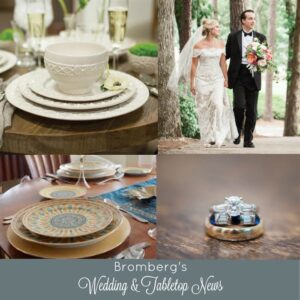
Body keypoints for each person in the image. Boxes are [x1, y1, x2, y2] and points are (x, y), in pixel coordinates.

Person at [168, 19, 238, 148]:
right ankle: (207, 138)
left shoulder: (221, 44)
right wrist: (192, 83)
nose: (219, 29)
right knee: (204, 109)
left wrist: (226, 78)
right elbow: (194, 66)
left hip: (217, 78)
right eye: (217, 27)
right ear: (210, 29)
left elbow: (223, 63)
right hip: (202, 80)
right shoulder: (198, 46)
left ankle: (219, 135)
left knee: (218, 105)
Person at [226, 10, 267, 148]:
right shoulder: (232, 36)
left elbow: (266, 57)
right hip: (238, 75)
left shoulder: (261, 37)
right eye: (250, 18)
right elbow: (225, 54)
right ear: (243, 21)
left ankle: (248, 139)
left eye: (254, 18)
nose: (253, 21)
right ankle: (237, 133)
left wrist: (263, 61)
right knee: (239, 106)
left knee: (252, 111)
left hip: (253, 75)